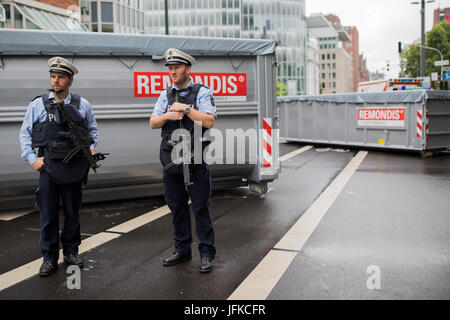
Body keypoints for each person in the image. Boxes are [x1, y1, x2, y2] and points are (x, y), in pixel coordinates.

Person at [19, 57, 98, 277]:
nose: (55, 81)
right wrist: (31, 158)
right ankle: (49, 257)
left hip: (74, 166)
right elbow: (25, 133)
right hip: (48, 168)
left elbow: (93, 132)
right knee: (48, 214)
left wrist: (90, 150)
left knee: (72, 213)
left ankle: (72, 251)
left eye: (60, 77)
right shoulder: (38, 104)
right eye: (53, 77)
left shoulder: (82, 105)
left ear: (70, 80)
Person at [150, 48, 217, 273]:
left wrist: (187, 109)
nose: (172, 72)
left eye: (176, 68)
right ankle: (182, 250)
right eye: (170, 68)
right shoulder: (165, 94)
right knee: (177, 207)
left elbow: (208, 121)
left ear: (187, 69)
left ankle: (206, 254)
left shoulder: (202, 92)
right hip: (171, 161)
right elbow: (153, 122)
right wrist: (167, 115)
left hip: (195, 160)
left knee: (200, 208)